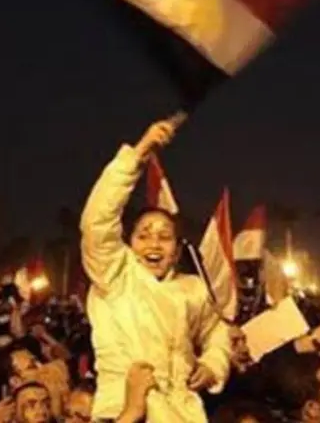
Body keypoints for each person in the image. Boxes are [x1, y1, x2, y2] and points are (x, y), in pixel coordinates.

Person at [80, 119, 231, 422]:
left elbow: (217, 331)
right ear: (129, 243)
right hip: (124, 410)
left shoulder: (193, 288)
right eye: (144, 235)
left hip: (183, 411)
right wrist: (139, 153)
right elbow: (97, 220)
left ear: (176, 251)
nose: (154, 244)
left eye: (164, 237)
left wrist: (214, 365)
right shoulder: (116, 274)